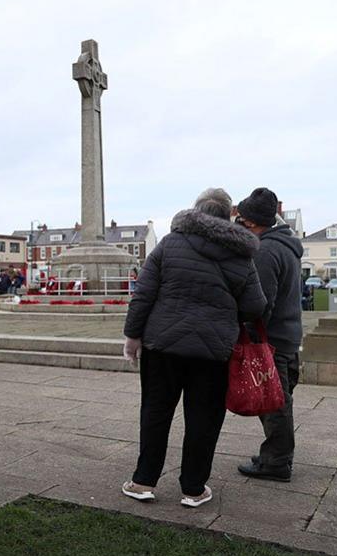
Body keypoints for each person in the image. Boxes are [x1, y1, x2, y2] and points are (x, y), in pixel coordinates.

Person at [121, 188, 266, 508]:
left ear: (196, 211)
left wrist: (132, 337)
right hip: (213, 351)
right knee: (204, 418)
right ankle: (193, 488)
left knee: (155, 412)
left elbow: (143, 295)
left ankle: (143, 481)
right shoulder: (241, 254)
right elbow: (255, 306)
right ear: (228, 215)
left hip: (162, 346)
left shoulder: (170, 244)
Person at [234, 188, 304, 482]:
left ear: (252, 223)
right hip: (288, 335)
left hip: (271, 340)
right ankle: (274, 455)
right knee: (280, 398)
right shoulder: (286, 245)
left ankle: (276, 461)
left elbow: (261, 303)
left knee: (274, 403)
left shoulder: (265, 251)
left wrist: (248, 334)